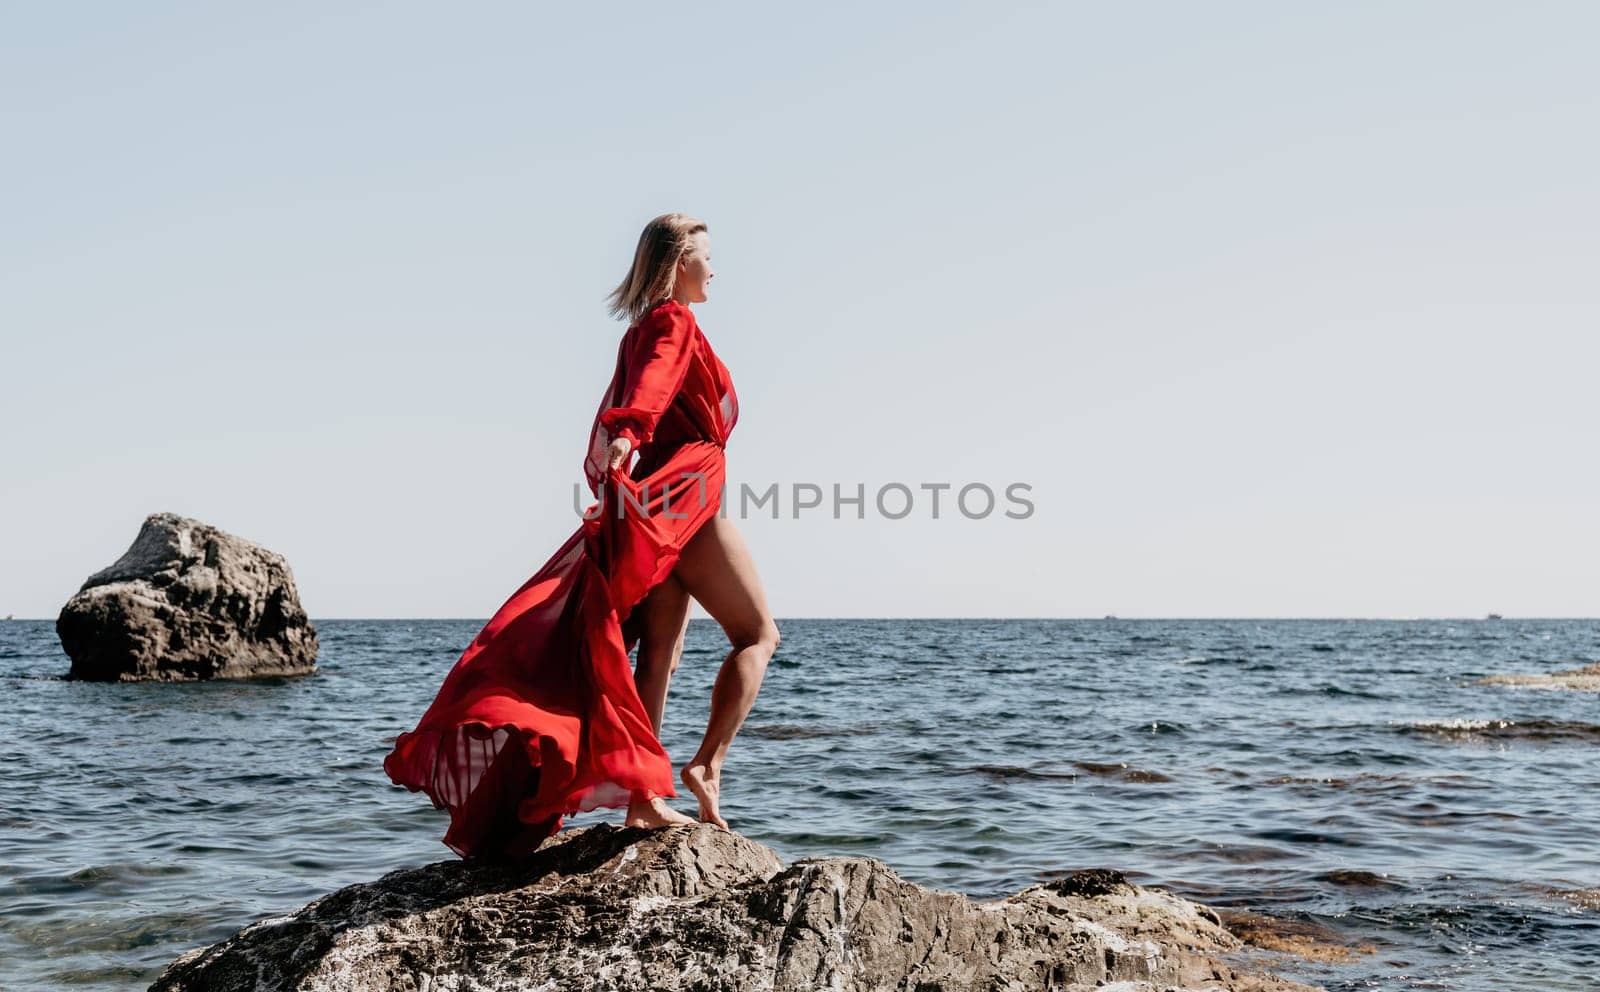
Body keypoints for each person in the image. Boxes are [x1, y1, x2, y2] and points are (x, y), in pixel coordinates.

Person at [383, 213, 780, 861]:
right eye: (708, 257)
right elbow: (649, 388)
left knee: (659, 655)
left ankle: (642, 800)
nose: (715, 270)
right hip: (682, 500)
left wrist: (626, 442)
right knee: (759, 635)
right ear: (680, 262)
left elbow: (636, 389)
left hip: (656, 501)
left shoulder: (643, 327)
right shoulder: (673, 322)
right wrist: (629, 431)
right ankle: (706, 766)